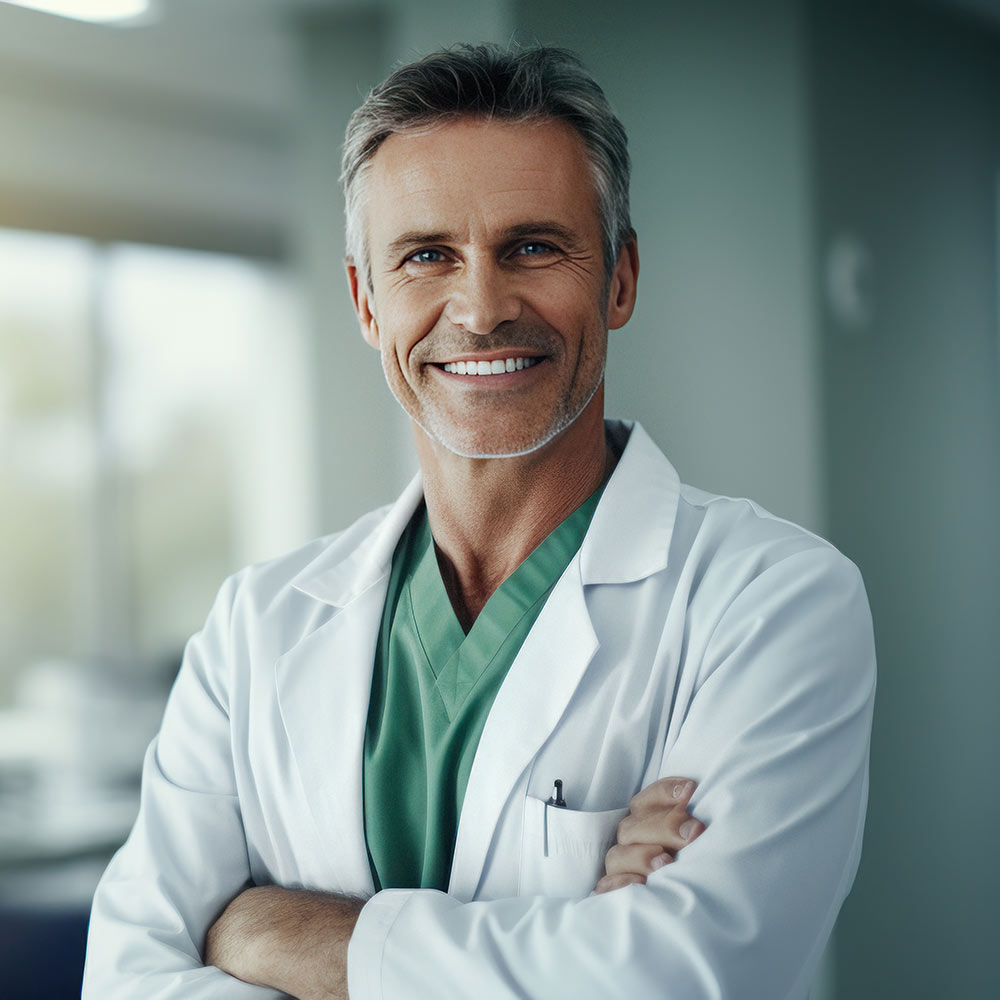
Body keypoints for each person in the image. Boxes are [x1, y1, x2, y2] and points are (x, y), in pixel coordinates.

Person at [82, 45, 875, 1000]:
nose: (482, 307)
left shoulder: (773, 602)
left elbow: (680, 978)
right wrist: (575, 939)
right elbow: (126, 978)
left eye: (533, 247)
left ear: (620, 279)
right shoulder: (257, 627)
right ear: (366, 303)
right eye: (426, 257)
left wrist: (260, 930)